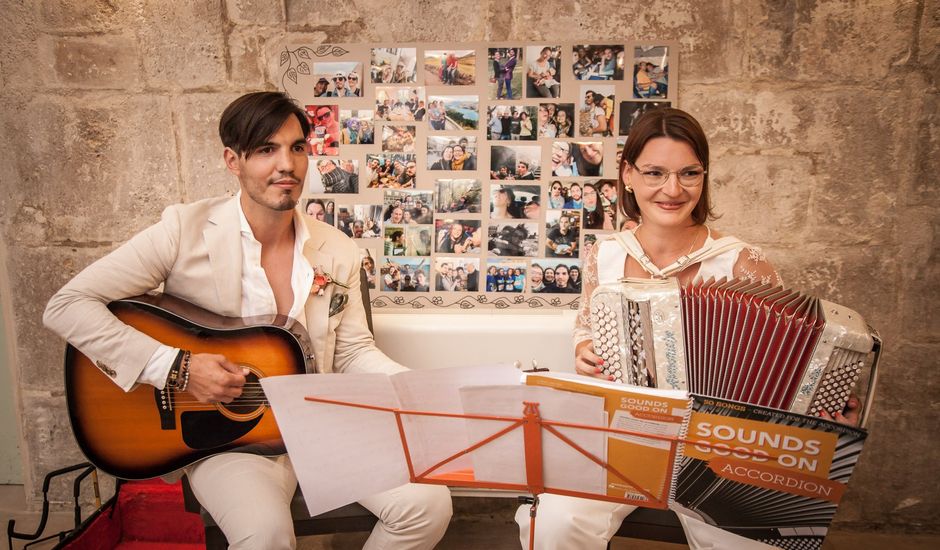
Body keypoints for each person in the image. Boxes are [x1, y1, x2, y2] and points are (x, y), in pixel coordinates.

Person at [42, 91, 452, 550]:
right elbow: (67, 304)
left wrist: (429, 389)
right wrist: (175, 368)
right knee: (264, 536)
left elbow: (354, 351)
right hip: (228, 441)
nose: (287, 165)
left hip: (322, 424)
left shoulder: (338, 250)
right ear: (232, 160)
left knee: (428, 504)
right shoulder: (183, 230)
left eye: (297, 148)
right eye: (265, 150)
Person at [515, 107, 793, 550]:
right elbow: (585, 324)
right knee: (554, 524)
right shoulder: (604, 255)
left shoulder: (741, 262)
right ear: (627, 174)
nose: (673, 189)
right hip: (621, 434)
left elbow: (787, 363)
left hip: (715, 446)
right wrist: (586, 347)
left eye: (689, 173)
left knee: (754, 544)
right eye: (655, 172)